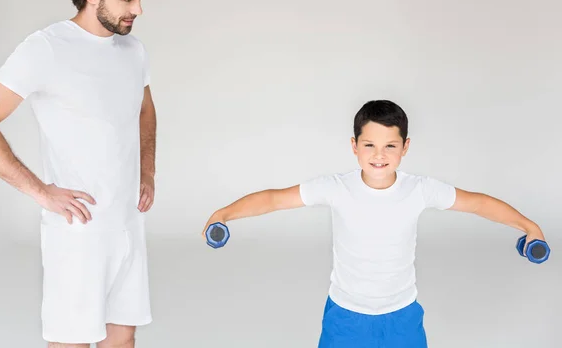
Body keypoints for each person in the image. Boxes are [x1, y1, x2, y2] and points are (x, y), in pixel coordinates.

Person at [201, 99, 547, 348]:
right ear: (354, 146)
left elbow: (477, 203)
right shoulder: (336, 188)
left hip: (402, 315)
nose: (379, 155)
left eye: (389, 145)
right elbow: (274, 199)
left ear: (405, 147)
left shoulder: (419, 190)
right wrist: (224, 214)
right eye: (369, 144)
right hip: (346, 316)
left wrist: (527, 225)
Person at [0, 0, 156, 347]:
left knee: (123, 339)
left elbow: (145, 110)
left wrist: (147, 171)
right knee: (71, 341)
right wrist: (40, 191)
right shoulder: (46, 48)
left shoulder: (132, 50)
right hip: (78, 234)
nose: (137, 9)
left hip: (127, 226)